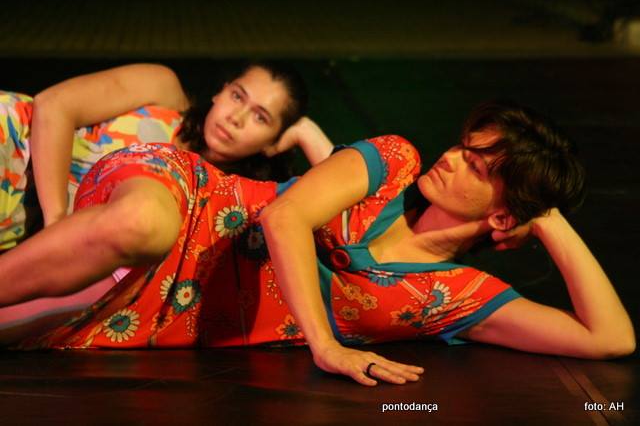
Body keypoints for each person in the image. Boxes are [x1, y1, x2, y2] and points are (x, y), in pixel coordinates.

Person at [0, 101, 634, 387]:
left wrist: (547, 218)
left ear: (503, 213)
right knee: (140, 224)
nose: (452, 158)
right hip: (187, 204)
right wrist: (326, 346)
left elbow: (609, 339)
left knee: (22, 328)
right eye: (465, 147)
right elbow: (285, 219)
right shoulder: (394, 162)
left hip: (170, 311)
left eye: (478, 166)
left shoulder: (454, 297)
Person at [0, 62, 333, 251]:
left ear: (274, 141)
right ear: (220, 91)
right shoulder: (163, 89)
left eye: (260, 117)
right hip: (12, 138)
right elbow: (53, 105)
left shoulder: (223, 200)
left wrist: (308, 133)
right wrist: (56, 223)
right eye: (237, 96)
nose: (236, 117)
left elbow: (351, 218)